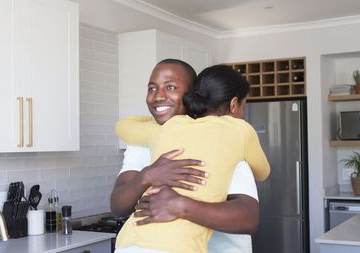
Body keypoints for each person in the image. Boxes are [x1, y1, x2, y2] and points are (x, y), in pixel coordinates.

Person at [113, 64, 269, 253]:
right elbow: (117, 207)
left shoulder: (221, 141)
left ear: (192, 93)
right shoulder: (146, 141)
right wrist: (147, 176)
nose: (158, 96)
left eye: (170, 87)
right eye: (151, 88)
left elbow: (248, 218)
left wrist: (180, 205)